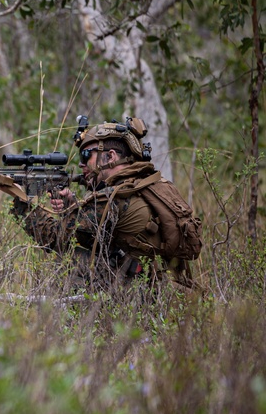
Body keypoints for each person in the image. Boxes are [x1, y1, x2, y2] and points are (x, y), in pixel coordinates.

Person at [11, 116, 200, 291]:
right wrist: (74, 206)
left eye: (86, 155)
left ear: (110, 156)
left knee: (70, 258)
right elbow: (99, 236)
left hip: (141, 295)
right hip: (166, 287)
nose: (81, 165)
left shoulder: (114, 197)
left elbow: (53, 237)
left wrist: (22, 202)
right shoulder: (149, 185)